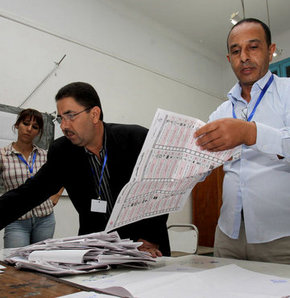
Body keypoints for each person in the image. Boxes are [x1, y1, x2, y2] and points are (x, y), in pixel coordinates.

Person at [0, 83, 170, 257]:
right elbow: (30, 192)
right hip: (98, 250)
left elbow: (161, 188)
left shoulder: (136, 139)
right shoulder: (63, 151)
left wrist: (150, 238)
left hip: (146, 246)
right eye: (60, 118)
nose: (63, 126)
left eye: (70, 116)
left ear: (94, 114)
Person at [194, 18, 290, 264]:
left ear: (271, 50)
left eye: (253, 47)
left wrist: (250, 133)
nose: (244, 56)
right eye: (236, 51)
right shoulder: (221, 111)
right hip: (228, 234)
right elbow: (201, 164)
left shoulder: (287, 93)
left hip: (280, 235)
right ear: (229, 59)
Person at [0, 109, 63, 248]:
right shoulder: (3, 155)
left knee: (40, 262)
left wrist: (57, 195)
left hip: (45, 219)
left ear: (39, 131)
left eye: (34, 127)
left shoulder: (45, 155)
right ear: (17, 125)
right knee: (15, 261)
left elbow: (63, 173)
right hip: (16, 220)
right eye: (25, 123)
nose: (29, 129)